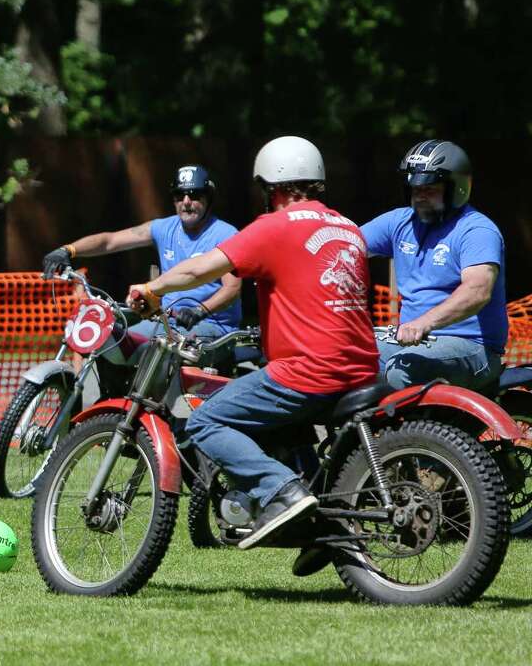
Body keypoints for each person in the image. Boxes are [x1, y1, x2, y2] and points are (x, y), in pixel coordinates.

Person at [128, 136, 377, 550]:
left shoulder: (273, 228)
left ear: (273, 186)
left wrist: (152, 288)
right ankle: (322, 532)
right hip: (362, 367)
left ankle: (283, 492)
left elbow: (200, 271)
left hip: (308, 370)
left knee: (205, 421)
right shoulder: (346, 226)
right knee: (289, 430)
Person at [360, 140, 507, 392]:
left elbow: (477, 291)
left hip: (472, 346)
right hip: (411, 342)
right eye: (415, 189)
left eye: (430, 188)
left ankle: (413, 433)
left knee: (403, 368)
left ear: (456, 188)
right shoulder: (400, 222)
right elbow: (342, 246)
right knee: (341, 355)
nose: (420, 196)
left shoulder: (476, 230)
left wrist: (423, 323)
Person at [42, 164, 242, 339]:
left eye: (195, 195)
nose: (186, 201)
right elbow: (110, 241)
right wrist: (69, 250)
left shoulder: (225, 234)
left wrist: (200, 310)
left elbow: (232, 289)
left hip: (212, 325)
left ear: (208, 199)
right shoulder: (163, 228)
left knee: (159, 354)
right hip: (167, 323)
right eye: (179, 195)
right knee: (117, 345)